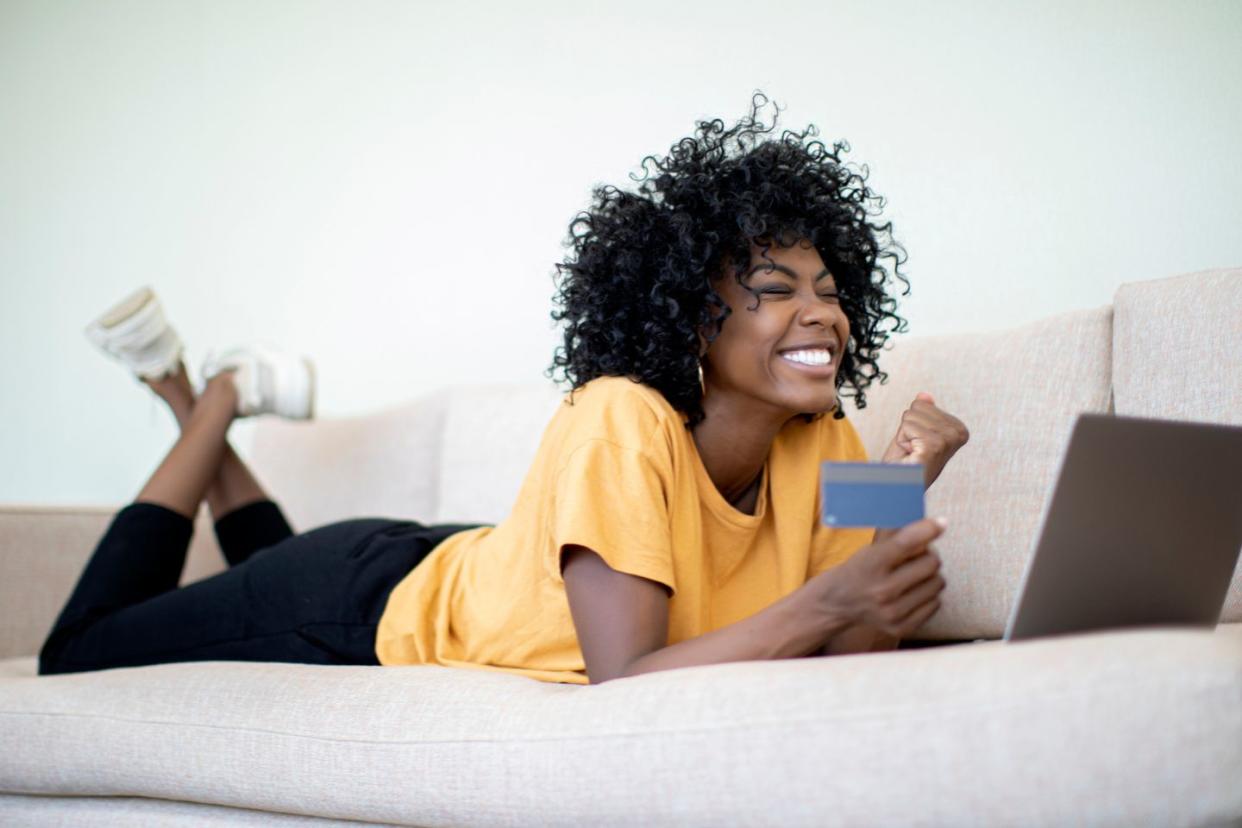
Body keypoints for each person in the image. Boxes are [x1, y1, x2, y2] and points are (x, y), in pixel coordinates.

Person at [39, 93, 969, 685]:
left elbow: (857, 647)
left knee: (245, 574)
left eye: (831, 293)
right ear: (692, 318)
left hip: (473, 563)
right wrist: (831, 604)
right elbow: (628, 677)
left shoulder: (827, 438)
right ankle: (206, 398)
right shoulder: (620, 419)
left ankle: (195, 400)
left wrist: (910, 476)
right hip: (364, 601)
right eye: (774, 294)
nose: (823, 317)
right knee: (76, 651)